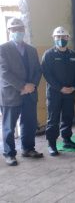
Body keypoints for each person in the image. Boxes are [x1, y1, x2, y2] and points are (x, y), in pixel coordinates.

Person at [0, 18, 43, 166]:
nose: (17, 31)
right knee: (9, 126)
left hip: (30, 94)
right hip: (11, 94)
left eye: (20, 28)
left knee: (29, 122)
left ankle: (28, 148)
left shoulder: (31, 49)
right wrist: (22, 87)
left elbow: (38, 70)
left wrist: (32, 86)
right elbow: (4, 72)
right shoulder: (3, 49)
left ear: (24, 30)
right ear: (9, 31)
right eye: (14, 29)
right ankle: (9, 154)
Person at [42, 26, 75, 156]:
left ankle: (67, 140)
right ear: (54, 38)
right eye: (58, 37)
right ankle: (52, 144)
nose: (61, 39)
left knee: (68, 117)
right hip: (54, 93)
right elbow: (47, 74)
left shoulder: (73, 55)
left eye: (63, 37)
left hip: (70, 93)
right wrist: (60, 88)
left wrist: (74, 87)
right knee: (53, 119)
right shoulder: (48, 55)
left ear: (68, 38)